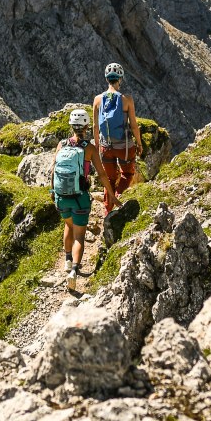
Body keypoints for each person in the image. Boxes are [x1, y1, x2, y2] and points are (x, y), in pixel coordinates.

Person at [53, 108, 101, 279]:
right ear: (87, 127)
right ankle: (74, 270)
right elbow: (102, 174)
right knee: (79, 236)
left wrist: (53, 192)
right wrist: (111, 195)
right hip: (80, 198)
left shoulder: (61, 145)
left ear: (71, 126)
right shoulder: (90, 148)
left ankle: (67, 260)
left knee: (68, 225)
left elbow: (53, 170)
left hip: (61, 197)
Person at [92, 62, 141, 219]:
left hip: (105, 147)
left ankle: (108, 210)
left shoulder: (97, 100)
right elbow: (133, 125)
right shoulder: (127, 99)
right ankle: (119, 197)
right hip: (124, 147)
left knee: (110, 178)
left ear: (107, 79)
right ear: (120, 79)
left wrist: (98, 146)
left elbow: (95, 126)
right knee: (127, 173)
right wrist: (139, 143)